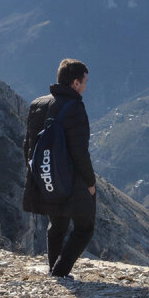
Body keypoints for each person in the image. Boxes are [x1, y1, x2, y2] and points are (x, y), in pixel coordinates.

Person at [23, 58, 97, 279]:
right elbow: (79, 152)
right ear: (75, 83)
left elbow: (28, 145)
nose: (85, 86)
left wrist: (39, 175)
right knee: (85, 227)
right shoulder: (74, 108)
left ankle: (54, 271)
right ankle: (60, 272)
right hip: (72, 180)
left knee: (57, 225)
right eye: (84, 81)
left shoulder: (37, 104)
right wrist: (90, 181)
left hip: (45, 177)